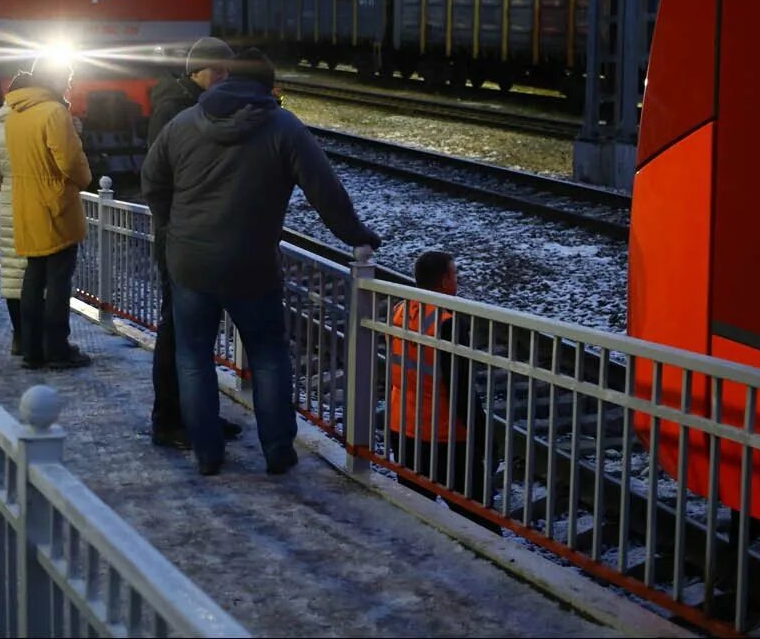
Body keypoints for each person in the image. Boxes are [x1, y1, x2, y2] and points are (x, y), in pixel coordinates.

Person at [141, 47, 381, 476]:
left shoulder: (185, 122)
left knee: (193, 355)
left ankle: (208, 454)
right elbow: (325, 192)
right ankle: (277, 451)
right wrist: (357, 236)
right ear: (267, 87)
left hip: (190, 262)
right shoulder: (283, 127)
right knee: (269, 355)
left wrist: (169, 228)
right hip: (251, 264)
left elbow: (152, 180)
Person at [146, 37, 245, 450]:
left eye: (226, 73)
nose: (222, 80)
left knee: (195, 333)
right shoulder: (178, 111)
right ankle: (169, 419)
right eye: (216, 72)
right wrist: (176, 226)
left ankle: (198, 414)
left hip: (189, 236)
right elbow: (160, 180)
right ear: (195, 71)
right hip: (179, 238)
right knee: (177, 334)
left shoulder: (189, 103)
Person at [388, 251, 497, 532]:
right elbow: (459, 388)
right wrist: (484, 437)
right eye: (455, 273)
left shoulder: (401, 308)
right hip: (443, 433)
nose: (457, 279)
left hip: (402, 426)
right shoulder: (446, 322)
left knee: (415, 512)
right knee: (478, 516)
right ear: (444, 280)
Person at [4, 56, 94, 369]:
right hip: (55, 206)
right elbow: (69, 162)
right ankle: (57, 348)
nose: (69, 85)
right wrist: (85, 177)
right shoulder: (54, 112)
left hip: (28, 205)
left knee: (33, 277)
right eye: (67, 79)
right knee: (58, 281)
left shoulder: (15, 113)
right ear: (54, 79)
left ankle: (32, 349)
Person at [0, 91, 28, 357]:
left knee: (12, 274)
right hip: (35, 207)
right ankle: (38, 336)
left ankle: (18, 337)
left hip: (8, 208)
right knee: (36, 273)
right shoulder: (36, 126)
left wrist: (7, 190)